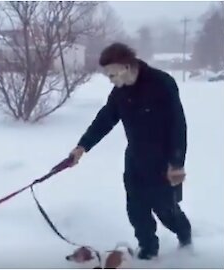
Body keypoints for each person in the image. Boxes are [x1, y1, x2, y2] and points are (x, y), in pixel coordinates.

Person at [68, 43, 192, 260]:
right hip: (135, 158)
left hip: (164, 161)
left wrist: (177, 162)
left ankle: (186, 240)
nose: (111, 80)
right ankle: (148, 248)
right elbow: (105, 119)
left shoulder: (162, 83)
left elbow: (178, 124)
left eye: (112, 74)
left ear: (127, 67)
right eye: (108, 76)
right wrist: (82, 146)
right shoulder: (120, 93)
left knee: (166, 211)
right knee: (136, 210)